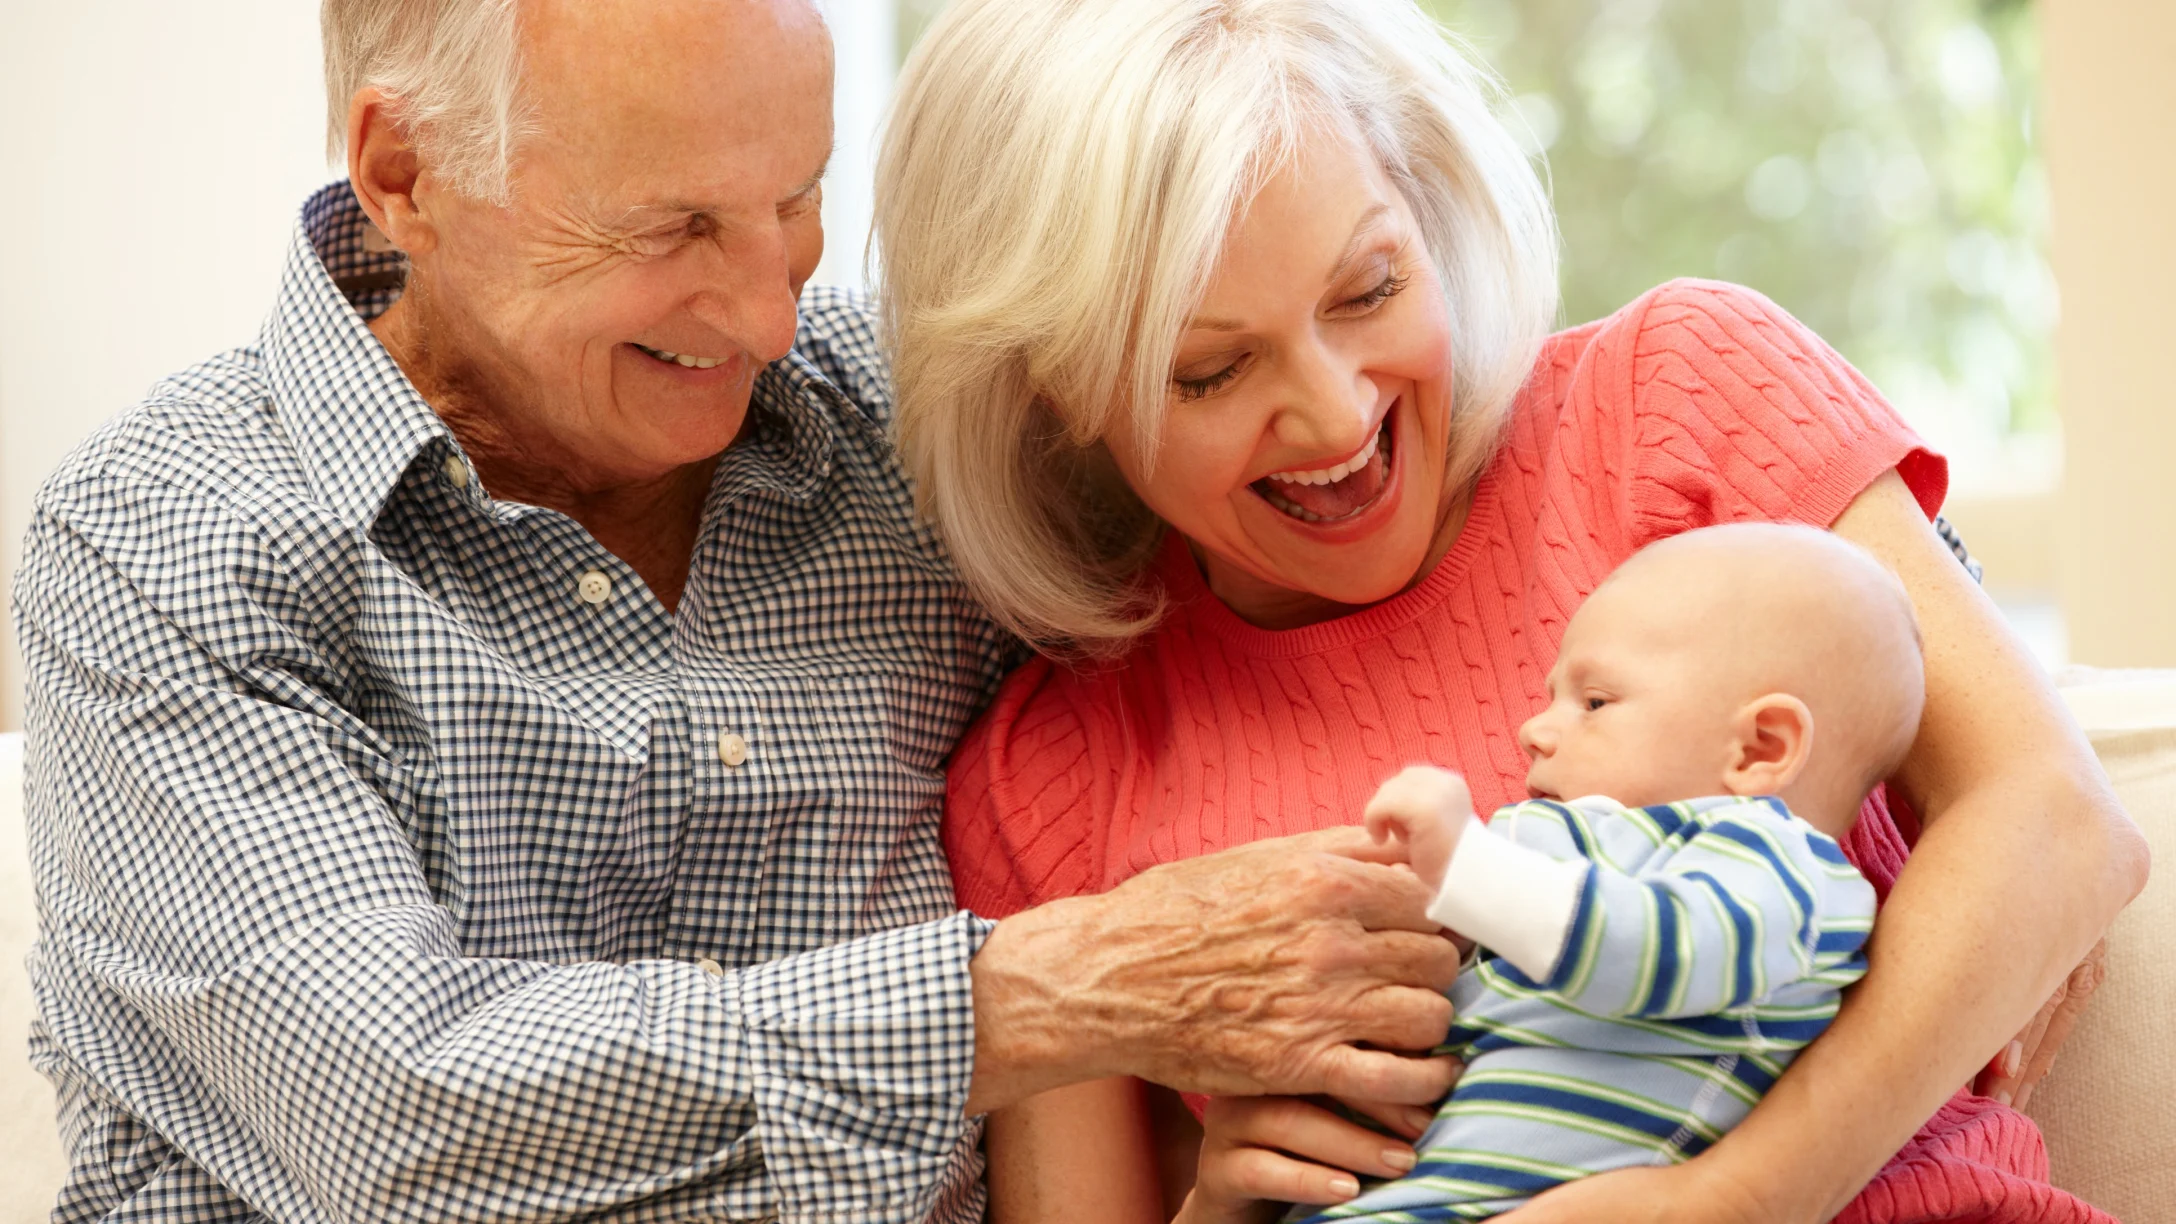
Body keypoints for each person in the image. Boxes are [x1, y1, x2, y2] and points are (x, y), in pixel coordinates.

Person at [10, 2, 1470, 1220]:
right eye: (678, 229)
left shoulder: (902, 437)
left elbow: (1313, 507)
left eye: (798, 201)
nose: (770, 315)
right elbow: (398, 1114)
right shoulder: (165, 544)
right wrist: (1059, 993)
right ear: (407, 174)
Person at [875, 0, 2149, 1221]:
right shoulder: (1046, 777)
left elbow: (2055, 825)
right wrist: (1222, 1206)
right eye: (1211, 369)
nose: (1333, 416)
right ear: (1053, 392)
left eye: (1367, 289)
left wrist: (1740, 1198)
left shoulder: (1672, 400)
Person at [1287, 523, 1922, 1221]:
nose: (1534, 729)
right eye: (1552, 694)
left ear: (1758, 749)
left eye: (1594, 702)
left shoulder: (1785, 869)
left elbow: (1652, 949)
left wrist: (1468, 870)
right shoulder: (1560, 845)